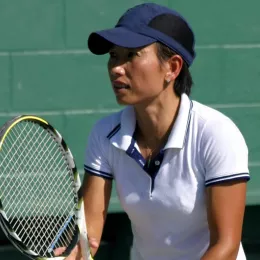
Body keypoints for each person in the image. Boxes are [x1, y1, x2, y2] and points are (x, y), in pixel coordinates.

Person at [67, 3, 250, 260]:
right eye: (114, 55)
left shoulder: (216, 134)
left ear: (172, 68)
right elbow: (88, 238)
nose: (116, 68)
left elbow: (226, 246)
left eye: (131, 55)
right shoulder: (104, 134)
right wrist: (72, 254)